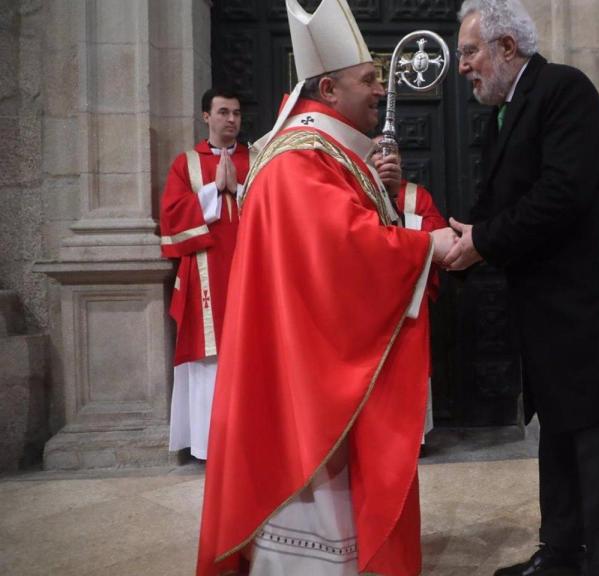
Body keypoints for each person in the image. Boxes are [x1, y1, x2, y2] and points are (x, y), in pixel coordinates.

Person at [195, 1, 456, 574]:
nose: (379, 92)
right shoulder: (299, 160)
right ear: (329, 90)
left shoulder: (325, 152)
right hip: (308, 378)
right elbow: (344, 253)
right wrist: (425, 247)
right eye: (368, 80)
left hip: (314, 356)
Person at [445, 2, 599, 575]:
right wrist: (454, 239)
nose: (462, 65)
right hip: (554, 312)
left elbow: (559, 196)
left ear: (505, 48)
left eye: (469, 51)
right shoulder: (513, 106)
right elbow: (501, 206)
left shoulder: (564, 90)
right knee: (558, 433)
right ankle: (561, 553)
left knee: (595, 439)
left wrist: (481, 242)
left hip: (593, 308)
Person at [159, 86, 249, 461]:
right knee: (209, 358)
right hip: (205, 274)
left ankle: (249, 442)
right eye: (224, 112)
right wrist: (214, 191)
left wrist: (239, 190)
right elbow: (170, 218)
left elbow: (279, 209)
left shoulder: (257, 158)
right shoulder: (186, 164)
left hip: (250, 271)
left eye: (237, 113)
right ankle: (209, 444)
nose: (232, 120)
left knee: (251, 353)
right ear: (206, 117)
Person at [371, 135, 447, 443]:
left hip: (410, 301)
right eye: (378, 151)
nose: (385, 158)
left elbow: (438, 238)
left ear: (401, 161)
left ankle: (415, 437)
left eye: (392, 153)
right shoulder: (354, 192)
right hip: (370, 302)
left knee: (410, 368)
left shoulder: (417, 196)